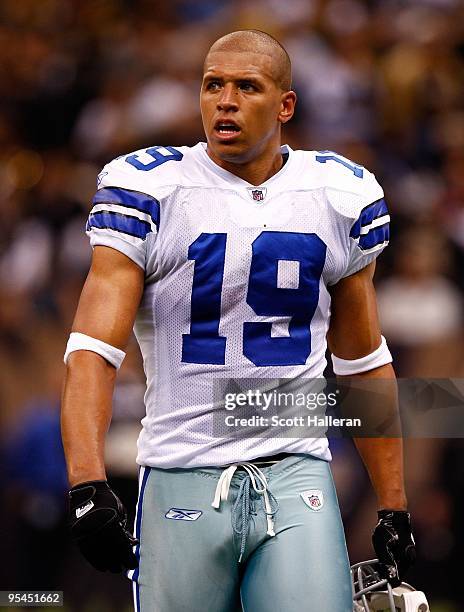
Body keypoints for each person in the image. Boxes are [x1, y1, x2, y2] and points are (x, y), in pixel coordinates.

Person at [61, 30, 416, 612]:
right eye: (212, 85)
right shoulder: (151, 188)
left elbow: (362, 362)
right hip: (182, 465)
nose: (225, 100)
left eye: (246, 86)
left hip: (295, 466)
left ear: (285, 105)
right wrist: (86, 484)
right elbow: (92, 350)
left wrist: (394, 506)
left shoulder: (336, 193)